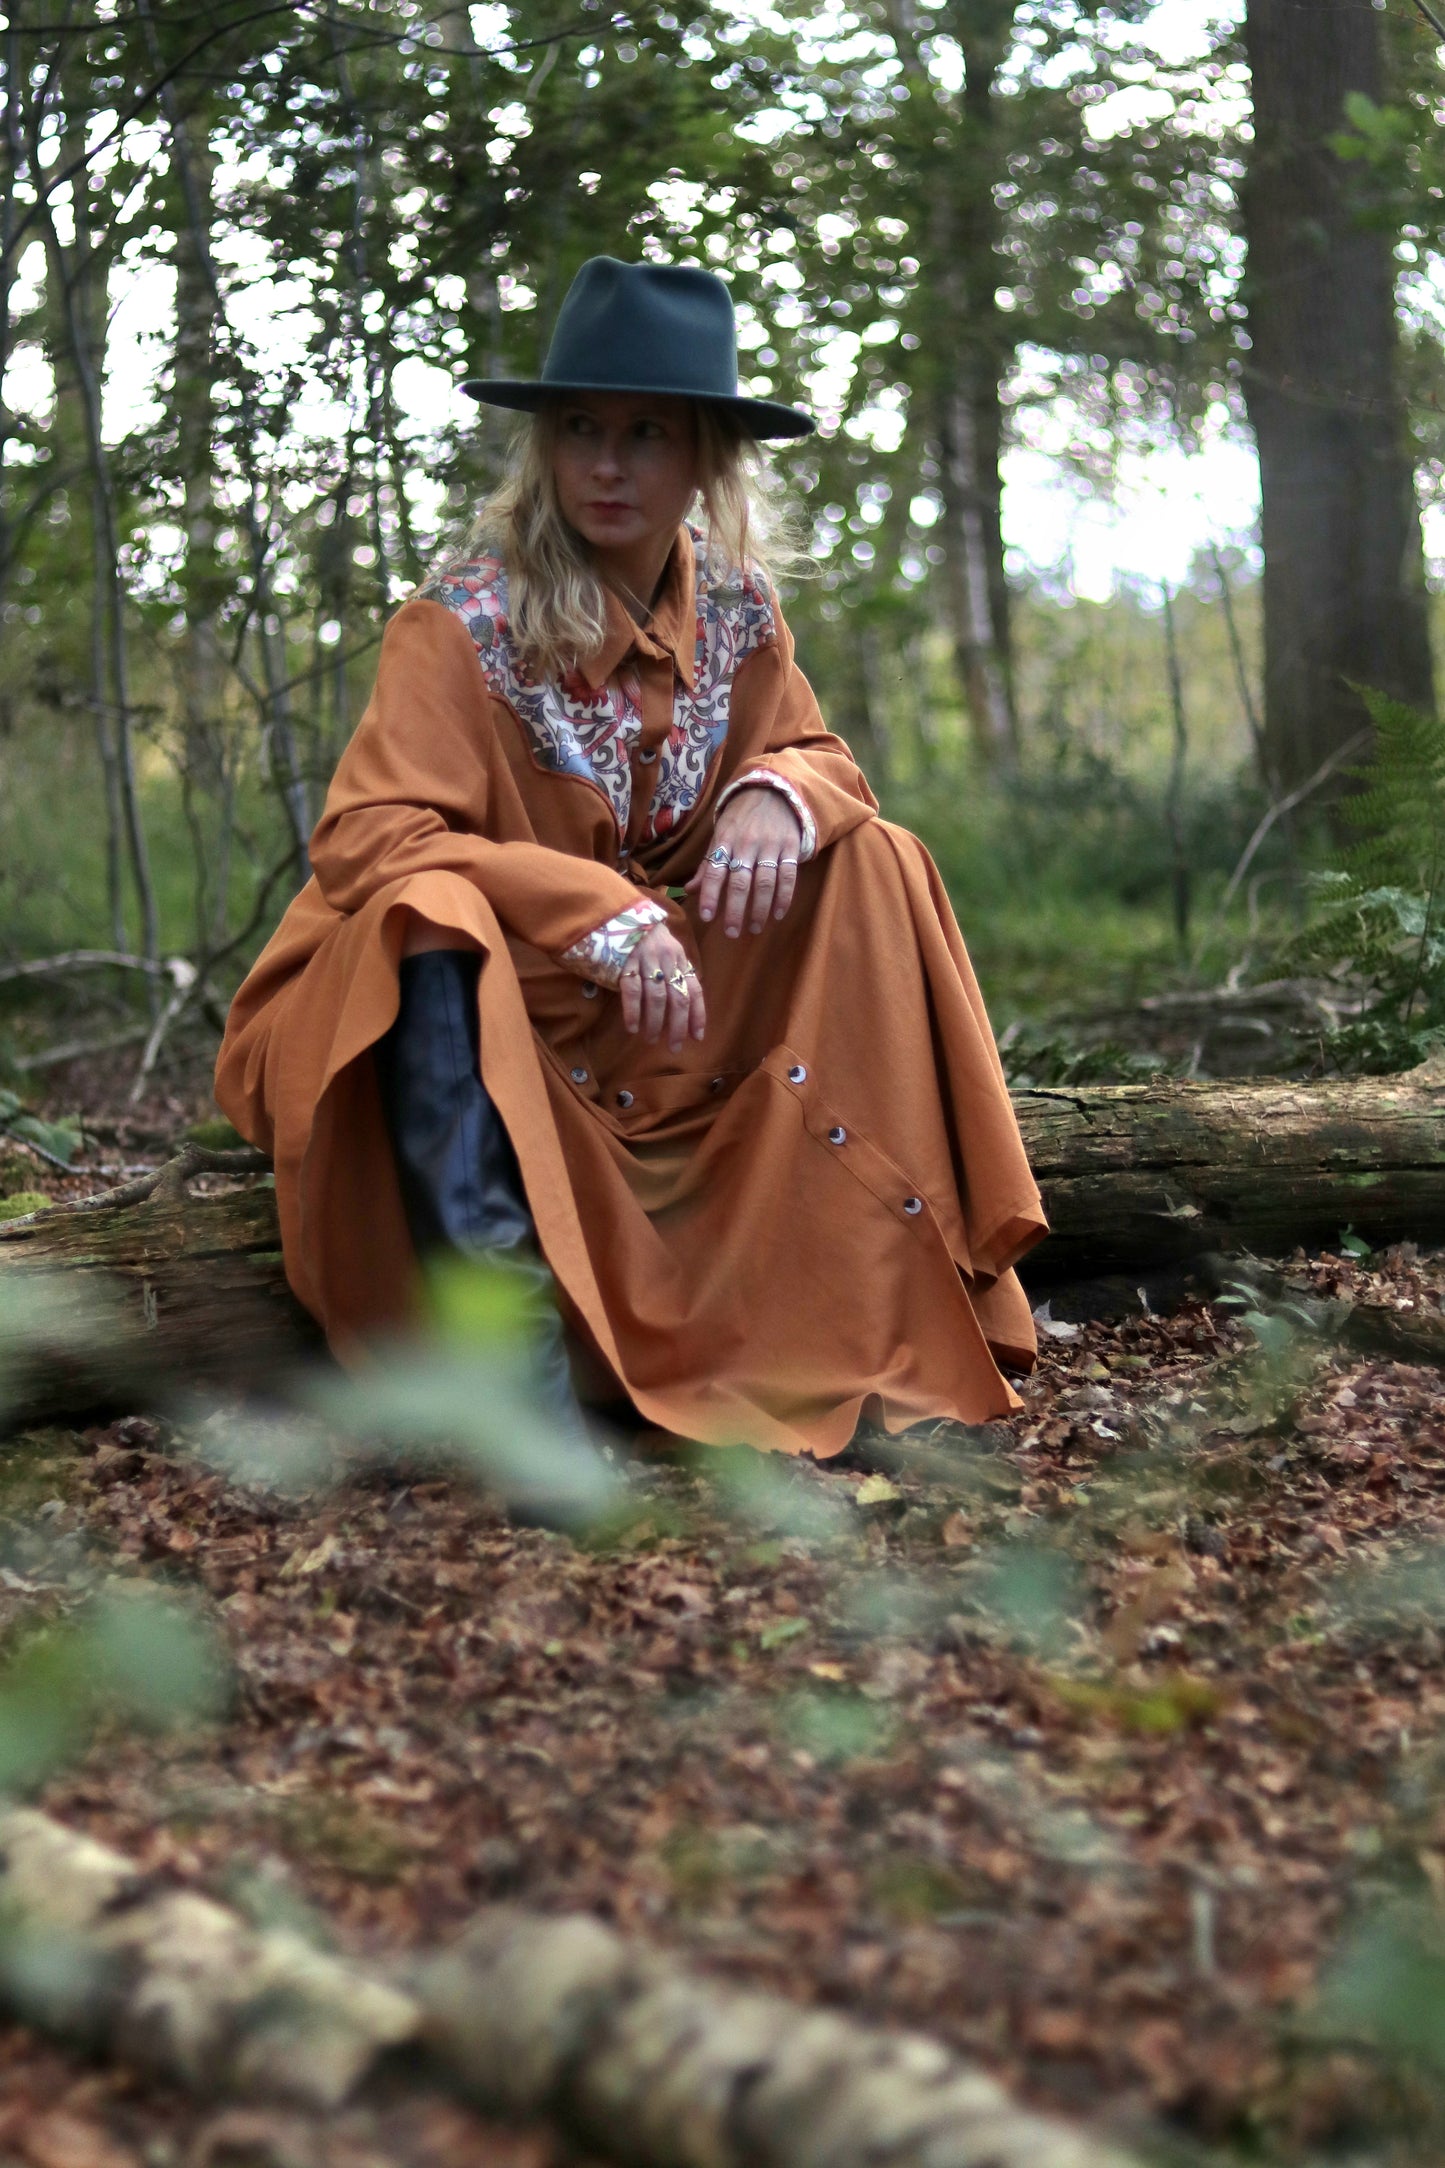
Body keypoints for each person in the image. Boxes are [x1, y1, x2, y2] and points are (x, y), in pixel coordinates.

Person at [214, 256, 1047, 1459]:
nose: (607, 464)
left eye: (645, 433)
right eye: (581, 430)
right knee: (434, 905)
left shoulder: (738, 612)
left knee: (874, 857)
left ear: (703, 456)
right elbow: (367, 838)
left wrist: (778, 790)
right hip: (470, 1000)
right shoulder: (462, 621)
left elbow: (817, 747)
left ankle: (856, 1303)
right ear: (546, 449)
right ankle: (513, 1383)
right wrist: (587, 905)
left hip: (651, 1014)